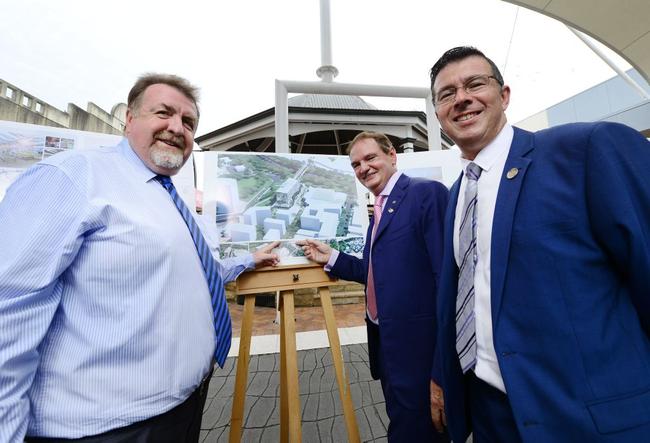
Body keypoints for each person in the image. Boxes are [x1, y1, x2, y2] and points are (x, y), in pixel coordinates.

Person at [0, 73, 279, 442]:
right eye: (163, 113)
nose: (177, 128)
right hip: (108, 430)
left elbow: (193, 269)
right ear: (129, 119)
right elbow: (10, 308)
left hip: (182, 411)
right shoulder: (73, 177)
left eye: (188, 122)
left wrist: (248, 260)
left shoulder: (168, 197)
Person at [428, 46, 650, 442]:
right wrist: (441, 376)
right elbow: (461, 299)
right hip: (492, 416)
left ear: (505, 95)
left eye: (475, 84)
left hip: (586, 418)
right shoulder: (457, 193)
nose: (461, 98)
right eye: (447, 94)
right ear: (439, 113)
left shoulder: (585, 151)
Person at [297, 131, 449, 442]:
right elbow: (375, 272)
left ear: (392, 155)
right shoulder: (380, 208)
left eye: (370, 158)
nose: (363, 168)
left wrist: (443, 367)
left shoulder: (426, 194)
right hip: (388, 347)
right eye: (356, 164)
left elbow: (448, 281)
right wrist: (332, 256)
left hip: (420, 353)